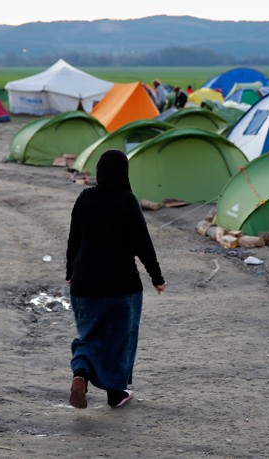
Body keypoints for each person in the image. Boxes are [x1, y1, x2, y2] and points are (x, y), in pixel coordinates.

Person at [65, 149, 166, 409]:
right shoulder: (127, 200)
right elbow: (142, 243)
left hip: (84, 285)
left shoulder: (85, 198)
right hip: (122, 287)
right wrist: (156, 276)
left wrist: (69, 272)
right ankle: (115, 392)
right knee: (120, 341)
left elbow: (74, 239)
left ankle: (81, 373)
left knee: (89, 336)